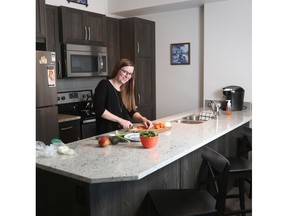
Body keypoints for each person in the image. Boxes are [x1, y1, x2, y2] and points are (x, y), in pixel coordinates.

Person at [93, 58, 154, 135]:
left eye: (130, 74)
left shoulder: (125, 89)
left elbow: (131, 111)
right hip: (106, 135)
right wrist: (120, 120)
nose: (127, 76)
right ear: (117, 69)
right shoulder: (104, 84)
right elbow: (98, 109)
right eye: (125, 72)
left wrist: (143, 119)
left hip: (122, 134)